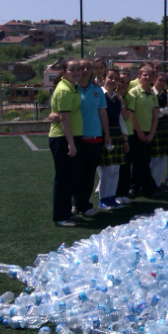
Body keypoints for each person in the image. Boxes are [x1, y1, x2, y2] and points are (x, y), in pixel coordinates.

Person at [48, 60, 83, 227]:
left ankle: (67, 212)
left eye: (78, 69)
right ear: (64, 71)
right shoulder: (64, 90)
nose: (76, 72)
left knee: (69, 178)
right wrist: (71, 143)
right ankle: (60, 216)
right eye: (72, 69)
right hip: (63, 137)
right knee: (63, 178)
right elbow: (64, 119)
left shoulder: (71, 87)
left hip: (70, 136)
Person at [74, 59, 110, 217]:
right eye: (82, 68)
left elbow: (103, 113)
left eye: (88, 68)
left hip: (95, 137)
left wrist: (107, 135)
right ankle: (75, 204)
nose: (86, 70)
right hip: (76, 137)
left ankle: (85, 205)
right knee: (76, 173)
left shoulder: (97, 89)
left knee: (89, 174)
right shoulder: (71, 88)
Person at [96, 68, 129, 209]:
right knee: (108, 170)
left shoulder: (117, 98)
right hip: (104, 135)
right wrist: (105, 135)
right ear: (104, 78)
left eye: (116, 78)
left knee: (116, 170)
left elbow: (123, 118)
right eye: (110, 77)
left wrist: (125, 138)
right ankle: (103, 200)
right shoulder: (98, 94)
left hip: (117, 134)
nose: (113, 80)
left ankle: (111, 198)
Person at [126, 65, 161, 198]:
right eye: (144, 75)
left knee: (143, 161)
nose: (147, 77)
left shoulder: (153, 94)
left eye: (149, 75)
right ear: (139, 77)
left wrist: (151, 133)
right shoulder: (133, 92)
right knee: (139, 162)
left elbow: (155, 115)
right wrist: (139, 132)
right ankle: (148, 188)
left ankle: (134, 187)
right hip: (135, 133)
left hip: (148, 133)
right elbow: (131, 114)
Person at [149, 71, 168, 191]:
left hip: (164, 127)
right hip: (153, 127)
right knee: (154, 158)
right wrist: (163, 110)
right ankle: (149, 183)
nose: (162, 83)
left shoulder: (165, 92)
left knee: (162, 158)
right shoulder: (149, 92)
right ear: (154, 79)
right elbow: (150, 112)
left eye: (165, 81)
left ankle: (158, 184)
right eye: (160, 80)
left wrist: (159, 111)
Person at [114, 70, 134, 204]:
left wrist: (120, 101)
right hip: (115, 134)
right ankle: (113, 194)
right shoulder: (110, 95)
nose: (124, 85)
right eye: (121, 82)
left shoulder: (130, 96)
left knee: (126, 166)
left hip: (128, 134)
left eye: (127, 83)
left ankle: (123, 192)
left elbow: (126, 116)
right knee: (115, 168)